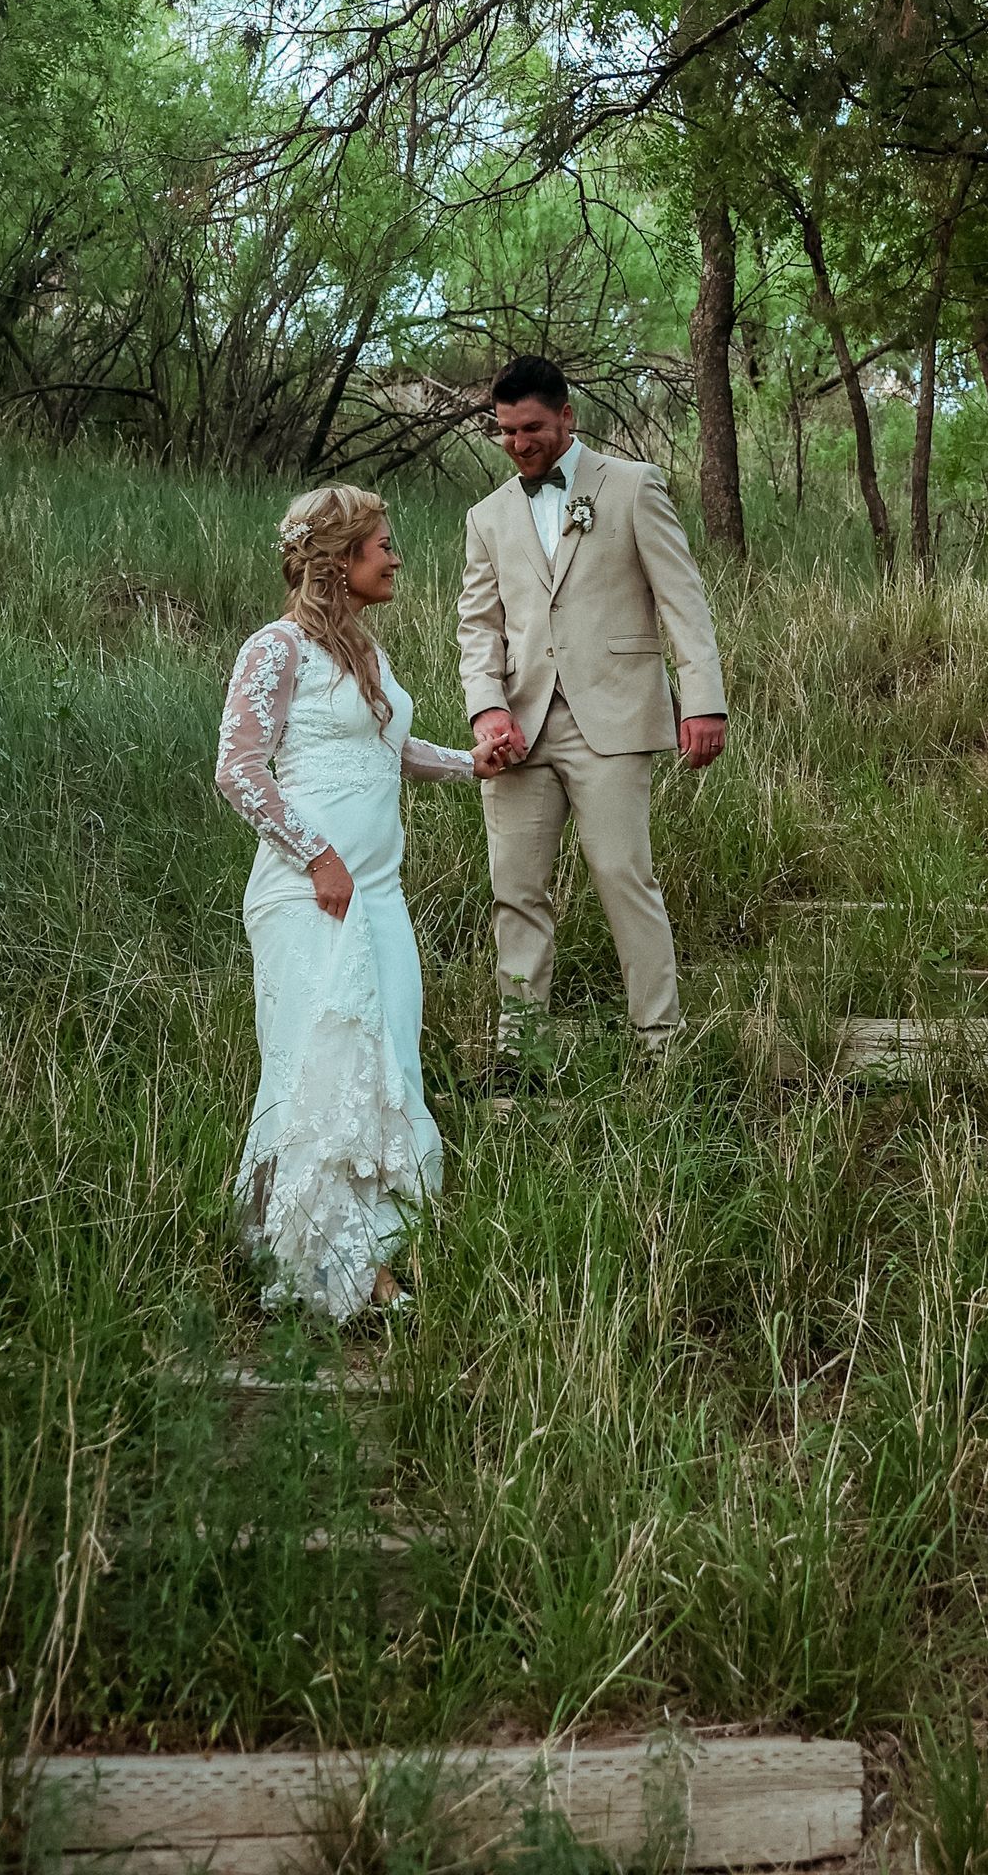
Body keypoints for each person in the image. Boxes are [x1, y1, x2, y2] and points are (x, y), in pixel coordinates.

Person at [214, 485, 502, 1319]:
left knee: (388, 1068)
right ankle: (327, 1269)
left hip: (379, 895)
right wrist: (320, 855)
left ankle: (377, 1246)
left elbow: (388, 747)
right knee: (323, 1073)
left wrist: (467, 763)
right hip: (311, 896)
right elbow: (238, 770)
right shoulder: (275, 650)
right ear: (338, 563)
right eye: (382, 545)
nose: (397, 557)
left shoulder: (364, 651)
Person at [458, 355, 728, 1064]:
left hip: (612, 717)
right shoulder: (486, 517)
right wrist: (486, 710)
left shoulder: (633, 486)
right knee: (515, 889)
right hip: (521, 729)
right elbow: (478, 627)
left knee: (621, 875)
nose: (520, 443)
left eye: (534, 427)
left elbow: (684, 601)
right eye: (507, 431)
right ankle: (524, 1053)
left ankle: (659, 1048)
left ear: (567, 417)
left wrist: (703, 701)